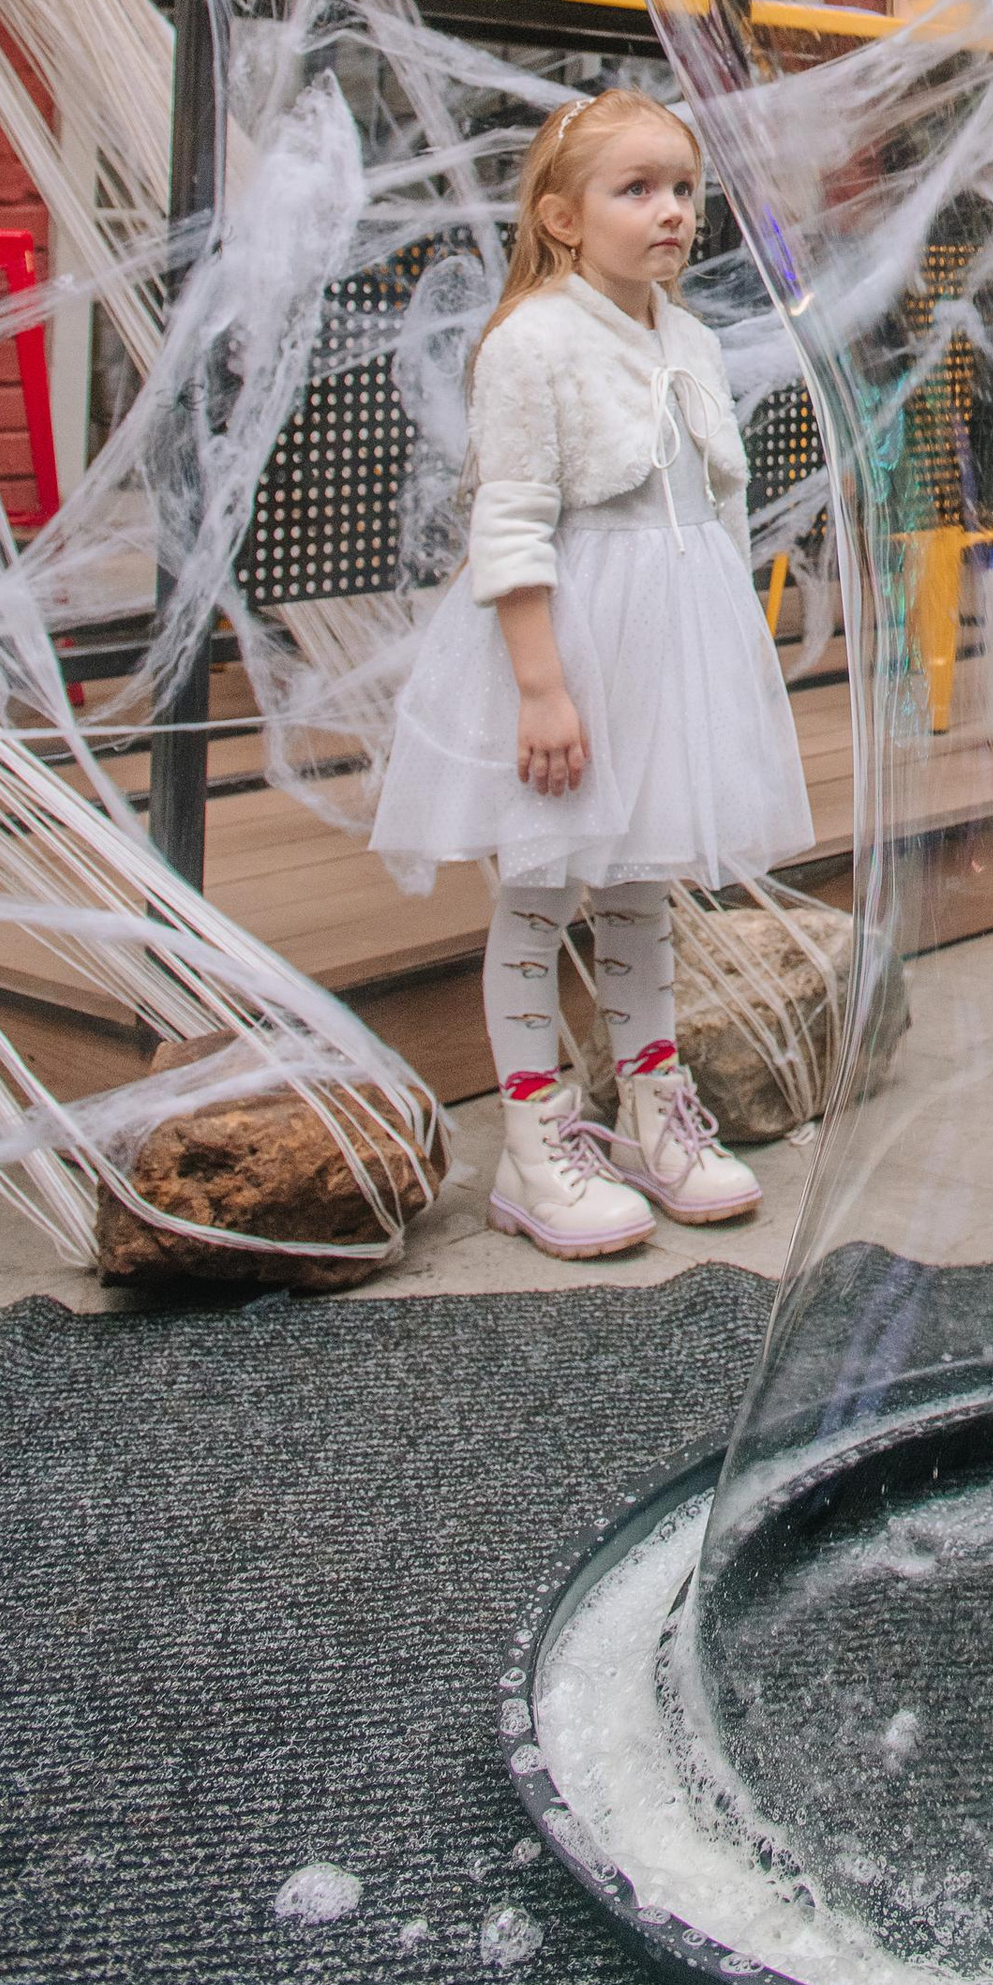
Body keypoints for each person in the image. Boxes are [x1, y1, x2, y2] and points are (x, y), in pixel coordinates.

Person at [373, 89, 813, 1258]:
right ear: (563, 219)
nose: (670, 212)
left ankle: (653, 1106)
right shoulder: (534, 341)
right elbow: (510, 524)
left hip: (670, 641)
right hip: (569, 644)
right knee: (538, 891)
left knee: (638, 884)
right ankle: (534, 1137)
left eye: (682, 189)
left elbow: (715, 505)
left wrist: (725, 651)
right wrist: (541, 686)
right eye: (637, 190)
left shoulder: (691, 338)